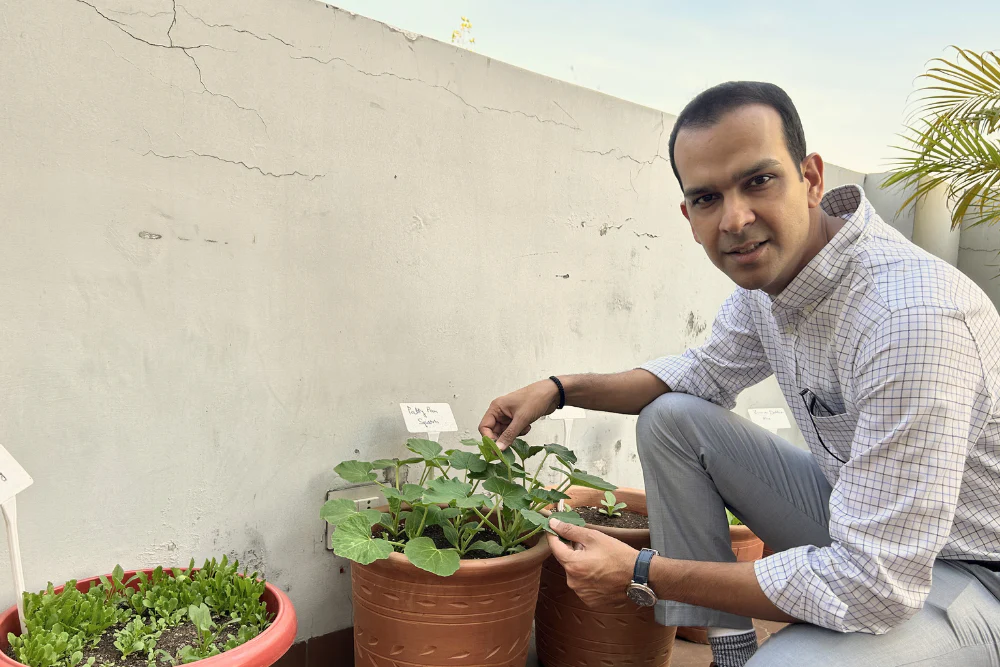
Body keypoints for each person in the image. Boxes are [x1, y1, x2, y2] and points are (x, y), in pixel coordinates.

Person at [478, 81, 1000, 666]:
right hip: (867, 527)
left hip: (972, 573)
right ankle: (728, 649)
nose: (736, 218)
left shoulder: (908, 319)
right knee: (673, 419)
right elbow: (694, 374)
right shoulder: (774, 288)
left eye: (758, 181)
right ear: (688, 215)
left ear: (810, 179)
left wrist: (644, 570)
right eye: (707, 198)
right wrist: (558, 391)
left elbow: (873, 587)